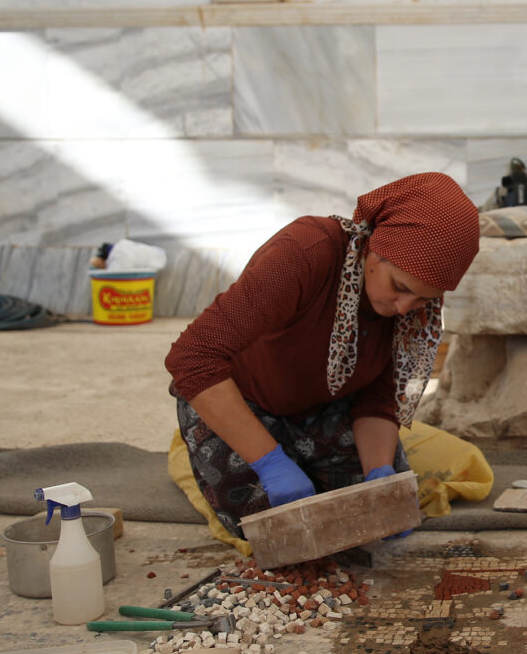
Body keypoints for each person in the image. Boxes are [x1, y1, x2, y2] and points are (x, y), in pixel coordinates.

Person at [165, 173, 480, 538]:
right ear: (373, 248)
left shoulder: (413, 308)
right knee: (274, 527)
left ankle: (307, 462)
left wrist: (379, 475)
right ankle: (242, 449)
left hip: (324, 407)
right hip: (243, 400)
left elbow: (379, 396)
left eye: (424, 298)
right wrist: (269, 462)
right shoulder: (304, 253)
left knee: (366, 512)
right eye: (400, 287)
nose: (405, 308)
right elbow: (193, 359)